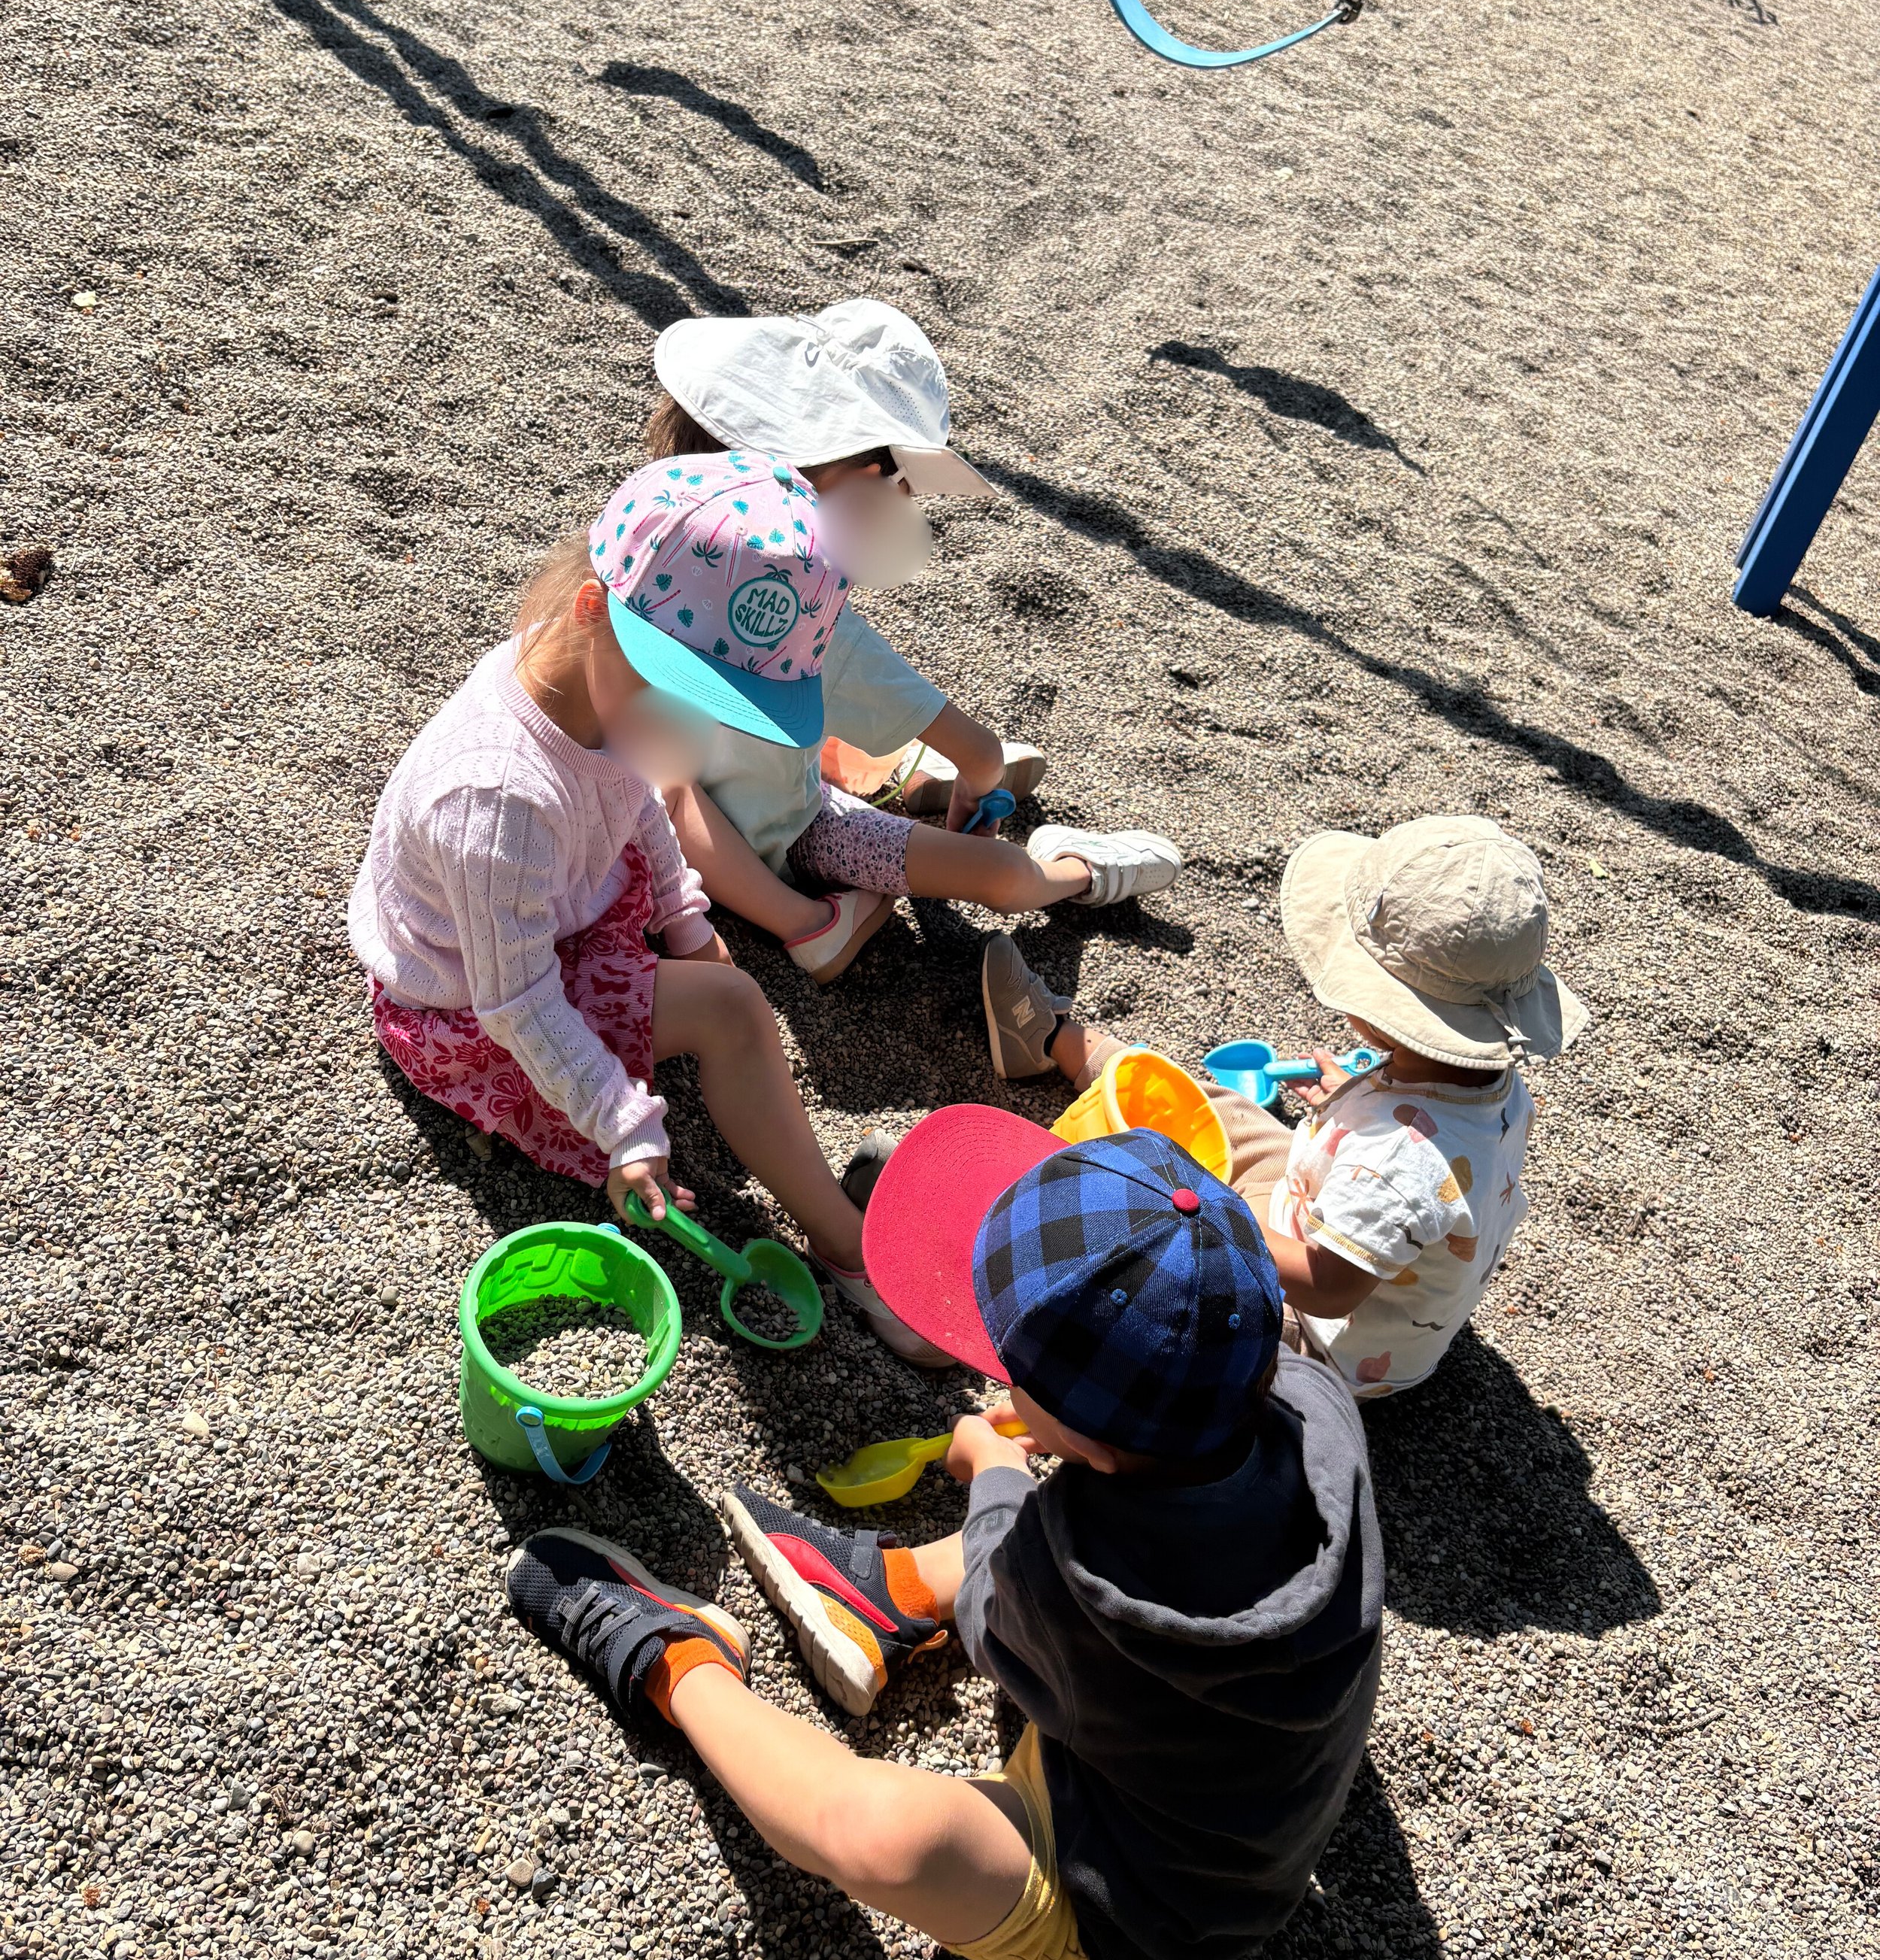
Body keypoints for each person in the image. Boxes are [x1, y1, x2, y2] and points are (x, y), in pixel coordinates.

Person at [506, 1109, 1383, 1960]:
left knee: (889, 1835)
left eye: (1012, 1373)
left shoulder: (1085, 1575)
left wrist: (992, 1468)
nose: (997, 1377)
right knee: (1054, 1534)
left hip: (1139, 1905)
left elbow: (1004, 1601)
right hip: (1216, 1765)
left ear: (1095, 1442)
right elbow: (1125, 1496)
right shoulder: (1313, 1403)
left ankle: (682, 1664)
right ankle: (877, 1598)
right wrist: (1070, 1438)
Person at [348, 452, 939, 1360]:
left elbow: (645, 800)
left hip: (561, 912)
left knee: (729, 995)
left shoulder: (603, 696)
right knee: (739, 1011)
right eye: (687, 699)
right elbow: (518, 1003)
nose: (695, 733)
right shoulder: (496, 797)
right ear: (592, 610)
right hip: (468, 1005)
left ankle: (815, 1198)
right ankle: (847, 1244)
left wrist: (686, 915)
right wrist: (621, 1123)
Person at [643, 297, 1182, 981]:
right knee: (999, 874)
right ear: (862, 479)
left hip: (632, 829)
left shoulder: (637, 554)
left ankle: (903, 777)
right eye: (899, 479)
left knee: (693, 752)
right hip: (793, 834)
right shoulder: (815, 627)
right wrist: (976, 787)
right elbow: (981, 754)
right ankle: (1073, 871)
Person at [981, 812, 1590, 1399]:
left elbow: (1327, 1288)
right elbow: (1428, 1151)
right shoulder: (1478, 1076)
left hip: (1307, 1338)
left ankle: (1034, 1219)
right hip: (1314, 1214)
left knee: (1149, 1258)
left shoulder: (1395, 1167)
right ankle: (1054, 1040)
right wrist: (1356, 1097)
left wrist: (1211, 1221)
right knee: (1213, 1106)